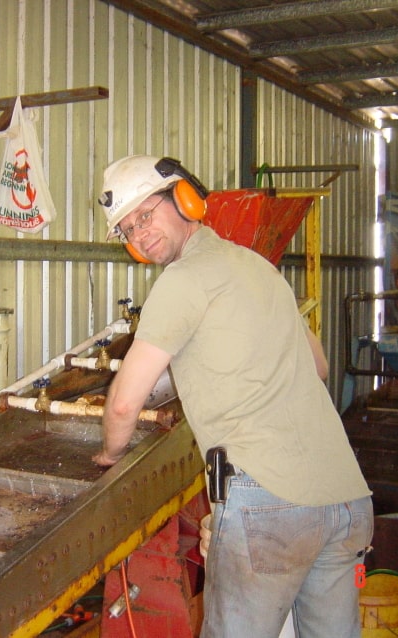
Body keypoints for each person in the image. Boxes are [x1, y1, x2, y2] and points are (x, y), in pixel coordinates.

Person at [92, 155, 373, 638]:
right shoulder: (260, 268)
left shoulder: (180, 281)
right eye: (127, 230)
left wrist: (110, 454)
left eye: (145, 214)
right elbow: (319, 367)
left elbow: (123, 403)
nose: (139, 233)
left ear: (184, 199)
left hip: (268, 504)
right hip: (347, 500)